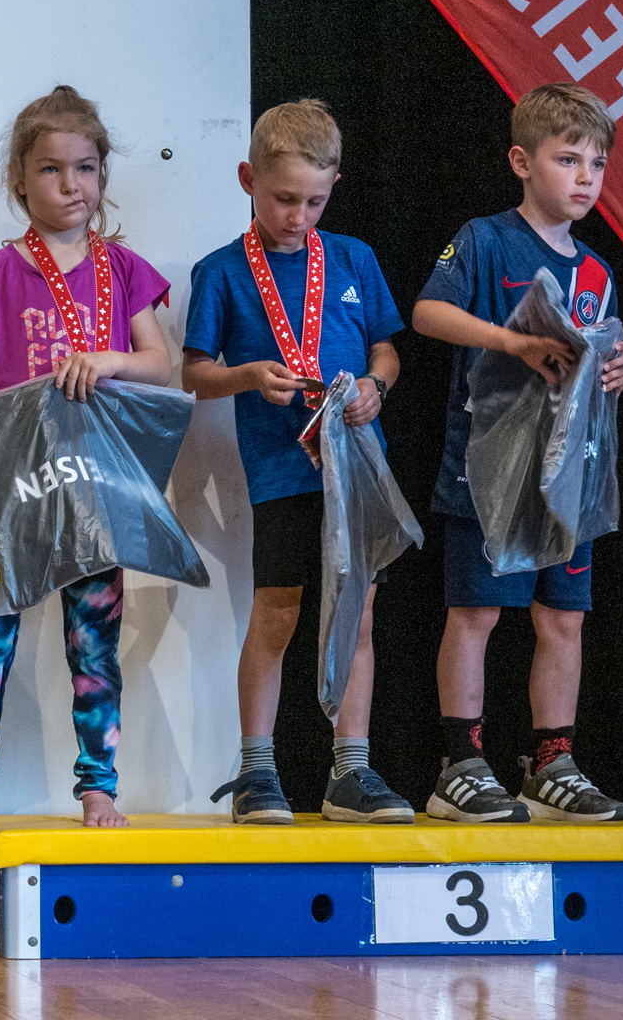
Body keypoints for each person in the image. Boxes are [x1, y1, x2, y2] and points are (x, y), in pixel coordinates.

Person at [0, 87, 177, 832]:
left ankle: (98, 786)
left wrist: (110, 360)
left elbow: (160, 364)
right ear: (19, 178)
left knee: (94, 640)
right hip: (14, 481)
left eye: (86, 169)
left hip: (96, 481)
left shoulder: (123, 269)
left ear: (103, 175)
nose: (71, 185)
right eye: (50, 169)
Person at [182, 100, 413, 826]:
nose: (298, 216)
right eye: (284, 199)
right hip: (281, 469)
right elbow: (195, 373)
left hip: (357, 468)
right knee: (278, 612)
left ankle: (351, 771)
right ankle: (257, 772)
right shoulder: (221, 271)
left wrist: (375, 387)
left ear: (335, 185)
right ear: (248, 179)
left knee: (358, 614)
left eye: (315, 201)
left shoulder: (353, 258)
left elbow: (386, 350)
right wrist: (249, 375)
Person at [409, 82, 623, 823]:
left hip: (568, 474)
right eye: (568, 159)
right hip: (490, 470)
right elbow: (427, 313)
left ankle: (552, 764)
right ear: (521, 161)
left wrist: (615, 372)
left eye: (596, 164)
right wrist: (512, 341)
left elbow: (600, 354)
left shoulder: (596, 270)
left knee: (563, 619)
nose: (584, 178)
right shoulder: (485, 239)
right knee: (477, 611)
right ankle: (461, 763)